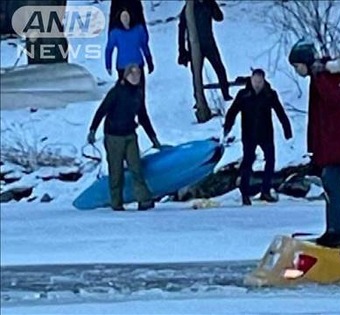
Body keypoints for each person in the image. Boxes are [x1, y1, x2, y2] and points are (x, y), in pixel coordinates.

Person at [288, 41, 340, 247]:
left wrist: (321, 80)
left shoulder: (323, 77)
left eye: (297, 66)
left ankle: (339, 230)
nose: (297, 71)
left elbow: (335, 101)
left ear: (305, 62)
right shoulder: (319, 77)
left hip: (339, 141)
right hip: (335, 142)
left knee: (331, 181)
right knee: (334, 181)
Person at [87, 64, 162, 211]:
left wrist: (153, 138)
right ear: (125, 75)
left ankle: (144, 200)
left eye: (138, 74)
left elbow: (143, 117)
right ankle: (116, 202)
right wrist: (92, 130)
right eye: (132, 74)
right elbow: (102, 111)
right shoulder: (116, 92)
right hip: (113, 136)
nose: (135, 77)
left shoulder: (138, 93)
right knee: (116, 171)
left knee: (136, 168)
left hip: (130, 135)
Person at [223, 69, 293, 206]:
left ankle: (265, 191)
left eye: (260, 82)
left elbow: (280, 111)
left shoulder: (269, 94)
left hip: (266, 133)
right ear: (251, 79)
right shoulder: (243, 95)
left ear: (264, 80)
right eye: (255, 81)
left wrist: (287, 129)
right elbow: (232, 112)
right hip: (249, 134)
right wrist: (227, 127)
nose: (257, 84)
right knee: (247, 163)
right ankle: (245, 193)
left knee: (270, 161)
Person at [177, 0, 233, 101]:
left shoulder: (208, 3)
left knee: (219, 68)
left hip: (209, 43)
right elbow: (181, 28)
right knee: (196, 74)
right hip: (194, 46)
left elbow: (219, 17)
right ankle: (199, 100)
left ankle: (226, 93)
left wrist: (212, 4)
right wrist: (182, 50)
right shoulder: (189, 7)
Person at [105, 9, 154, 82]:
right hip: (123, 67)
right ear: (120, 18)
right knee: (125, 92)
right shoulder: (115, 33)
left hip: (138, 64)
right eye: (123, 17)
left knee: (139, 91)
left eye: (127, 16)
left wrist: (149, 61)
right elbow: (109, 49)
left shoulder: (138, 29)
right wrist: (108, 65)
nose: (125, 19)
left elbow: (144, 46)